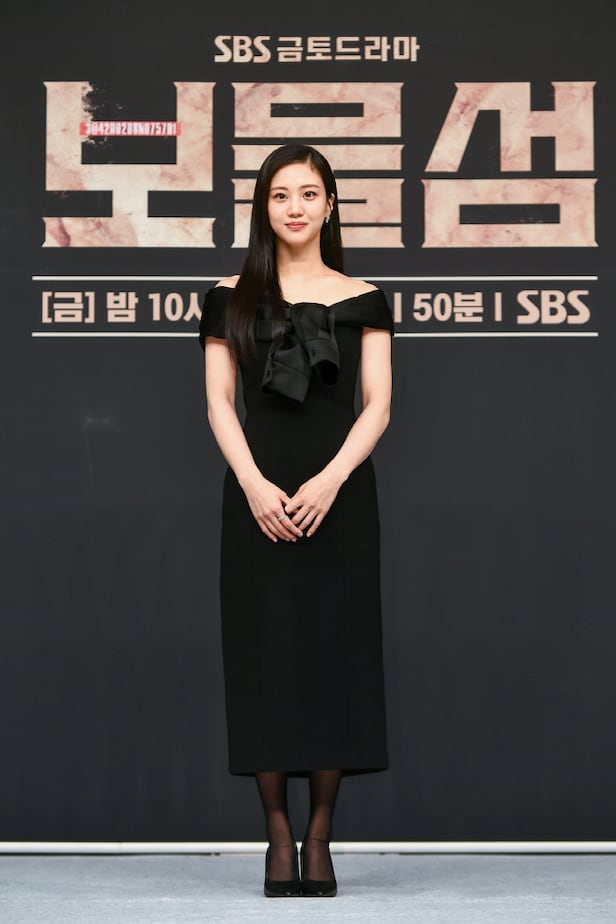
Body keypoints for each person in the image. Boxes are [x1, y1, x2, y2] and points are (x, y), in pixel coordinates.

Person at [199, 144, 393, 898]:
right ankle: (277, 834)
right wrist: (254, 485)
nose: (295, 208)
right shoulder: (229, 297)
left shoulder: (364, 297)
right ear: (263, 206)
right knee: (265, 660)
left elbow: (377, 406)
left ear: (331, 204)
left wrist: (330, 480)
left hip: (339, 500)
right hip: (257, 499)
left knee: (333, 659)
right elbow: (219, 402)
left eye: (309, 194)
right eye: (281, 194)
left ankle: (320, 834)